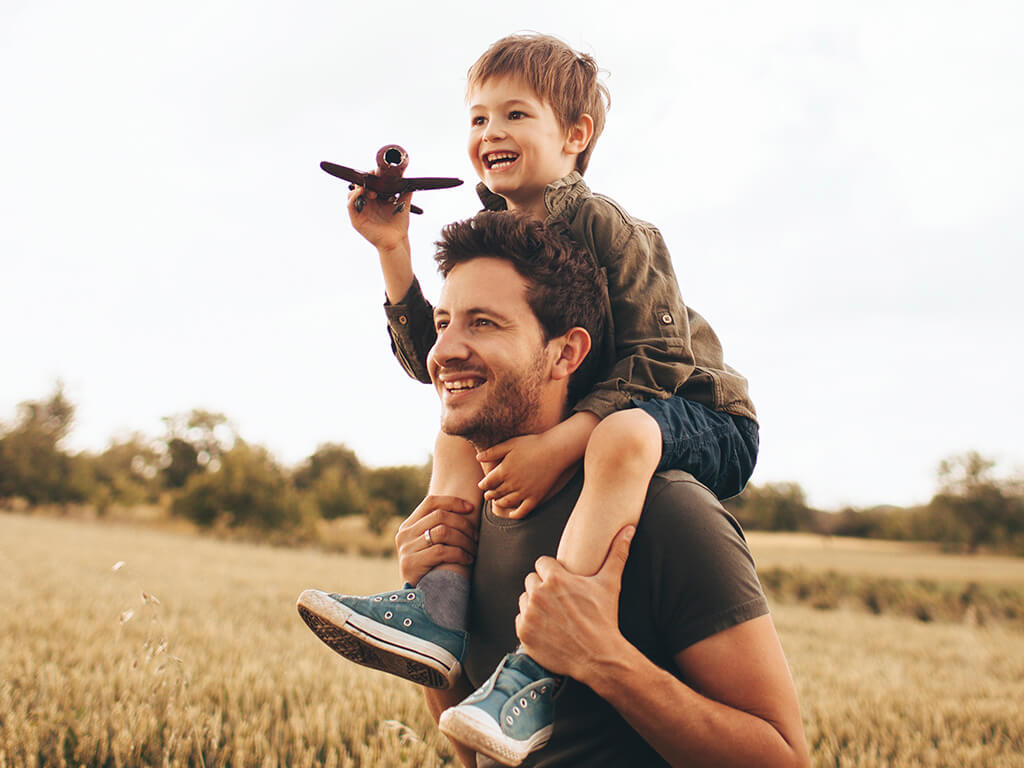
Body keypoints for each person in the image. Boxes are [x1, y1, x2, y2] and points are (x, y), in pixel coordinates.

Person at [298, 32, 758, 764]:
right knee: (459, 413)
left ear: (576, 136)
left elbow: (660, 360)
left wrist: (561, 443)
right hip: (605, 412)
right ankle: (439, 608)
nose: (490, 133)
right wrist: (393, 253)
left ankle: (540, 666)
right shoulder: (501, 238)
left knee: (624, 436)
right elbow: (438, 364)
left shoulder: (607, 226)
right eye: (478, 119)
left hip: (696, 413)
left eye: (514, 115)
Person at [309, 212, 809, 767]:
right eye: (444, 321)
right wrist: (431, 605)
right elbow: (475, 751)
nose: (443, 350)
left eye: (483, 324)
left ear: (566, 353)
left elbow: (784, 759)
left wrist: (603, 659)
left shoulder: (667, 511)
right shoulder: (473, 514)